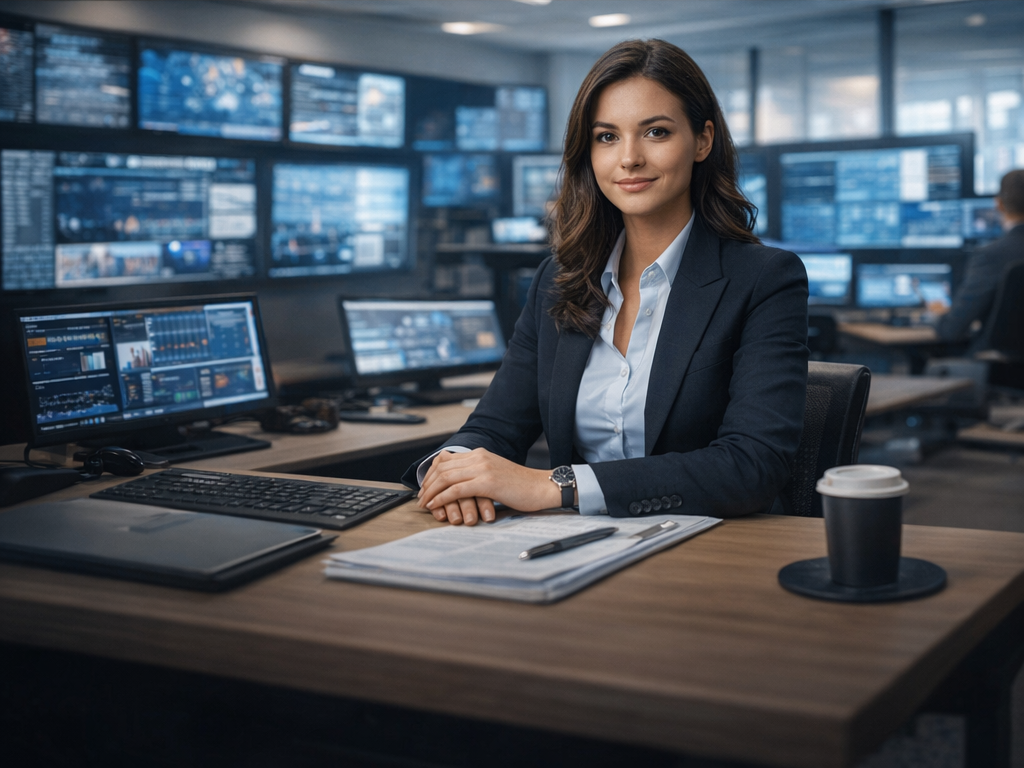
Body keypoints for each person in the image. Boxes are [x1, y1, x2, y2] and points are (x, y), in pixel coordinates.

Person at [406, 39, 809, 525]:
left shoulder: (763, 279)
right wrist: (451, 472)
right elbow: (494, 425)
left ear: (702, 140)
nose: (629, 159)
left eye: (655, 132)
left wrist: (553, 485)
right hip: (580, 547)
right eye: (606, 136)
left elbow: (752, 465)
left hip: (710, 550)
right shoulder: (559, 279)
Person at [935, 169, 1024, 350]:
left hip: (999, 368)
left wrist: (939, 315)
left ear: (998, 204)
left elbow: (952, 330)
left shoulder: (991, 255)